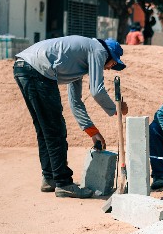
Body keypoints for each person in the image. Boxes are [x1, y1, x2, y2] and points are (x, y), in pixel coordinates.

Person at [14, 36, 128, 198]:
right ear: (108, 54)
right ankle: (63, 183)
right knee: (55, 130)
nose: (109, 68)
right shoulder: (99, 50)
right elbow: (96, 91)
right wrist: (117, 108)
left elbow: (75, 102)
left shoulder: (78, 61)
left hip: (24, 68)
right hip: (38, 70)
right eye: (113, 64)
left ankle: (50, 178)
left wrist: (93, 132)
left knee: (45, 129)